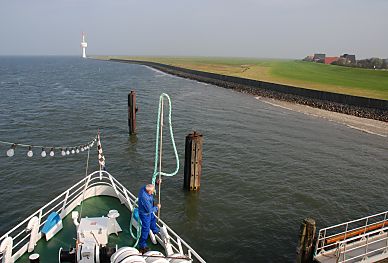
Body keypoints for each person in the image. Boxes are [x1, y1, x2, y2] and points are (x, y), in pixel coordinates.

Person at [137, 183, 161, 253]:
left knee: (153, 219)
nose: (153, 192)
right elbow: (149, 210)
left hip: (148, 212)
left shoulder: (144, 188)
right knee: (146, 229)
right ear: (149, 192)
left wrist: (157, 183)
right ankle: (142, 244)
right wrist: (157, 207)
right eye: (152, 191)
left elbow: (150, 186)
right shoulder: (145, 198)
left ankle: (155, 230)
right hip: (145, 214)